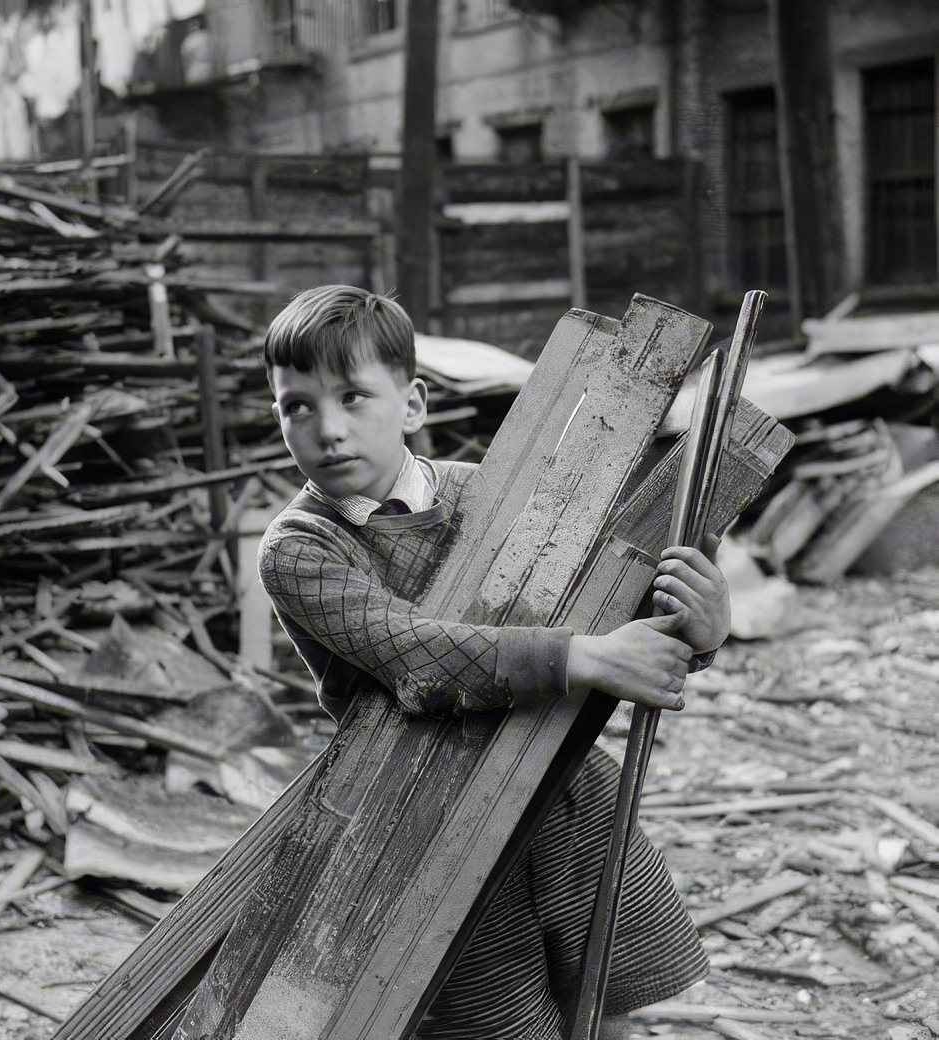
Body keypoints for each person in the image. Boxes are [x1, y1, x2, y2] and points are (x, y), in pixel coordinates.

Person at [258, 285, 729, 1040]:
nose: (328, 428)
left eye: (353, 397)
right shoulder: (303, 549)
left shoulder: (489, 493)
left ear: (411, 405)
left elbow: (609, 621)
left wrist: (699, 631)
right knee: (495, 1022)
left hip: (566, 789)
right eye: (297, 407)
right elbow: (414, 653)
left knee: (609, 1006)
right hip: (428, 820)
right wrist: (585, 657)